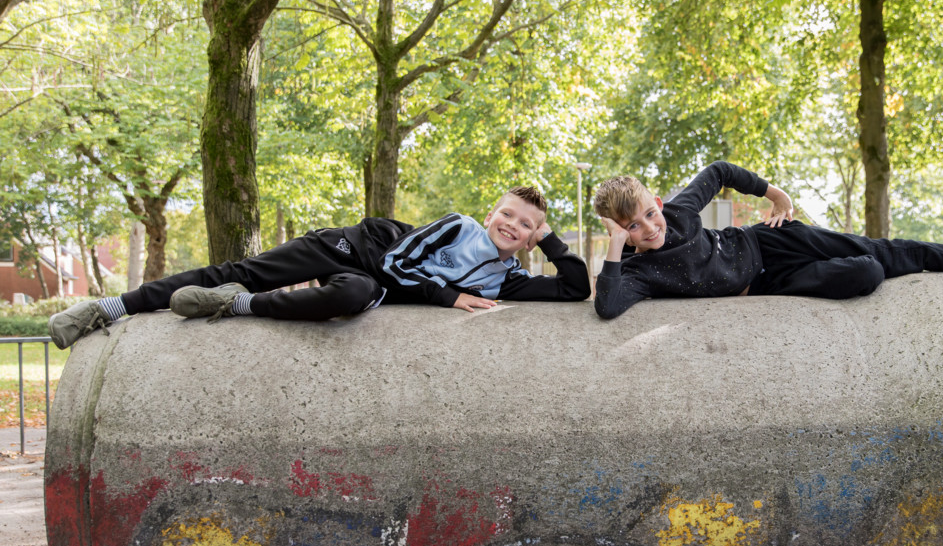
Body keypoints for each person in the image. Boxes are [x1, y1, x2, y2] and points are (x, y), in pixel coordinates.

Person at [49, 186, 590, 349]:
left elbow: (573, 290)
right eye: (507, 214)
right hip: (353, 249)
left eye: (525, 226)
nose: (512, 225)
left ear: (527, 241)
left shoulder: (507, 279)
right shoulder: (459, 226)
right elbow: (400, 264)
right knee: (244, 266)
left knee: (351, 301)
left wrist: (553, 242)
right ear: (490, 212)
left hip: (365, 283)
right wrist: (446, 298)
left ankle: (235, 305)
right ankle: (107, 307)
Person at [591, 161, 943, 323]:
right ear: (618, 230)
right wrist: (615, 249)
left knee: (884, 252)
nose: (650, 228)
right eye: (631, 227)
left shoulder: (679, 212)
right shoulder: (637, 272)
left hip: (772, 244)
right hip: (773, 285)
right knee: (866, 273)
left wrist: (774, 194)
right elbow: (608, 306)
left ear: (657, 201)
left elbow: (719, 171)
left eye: (649, 213)